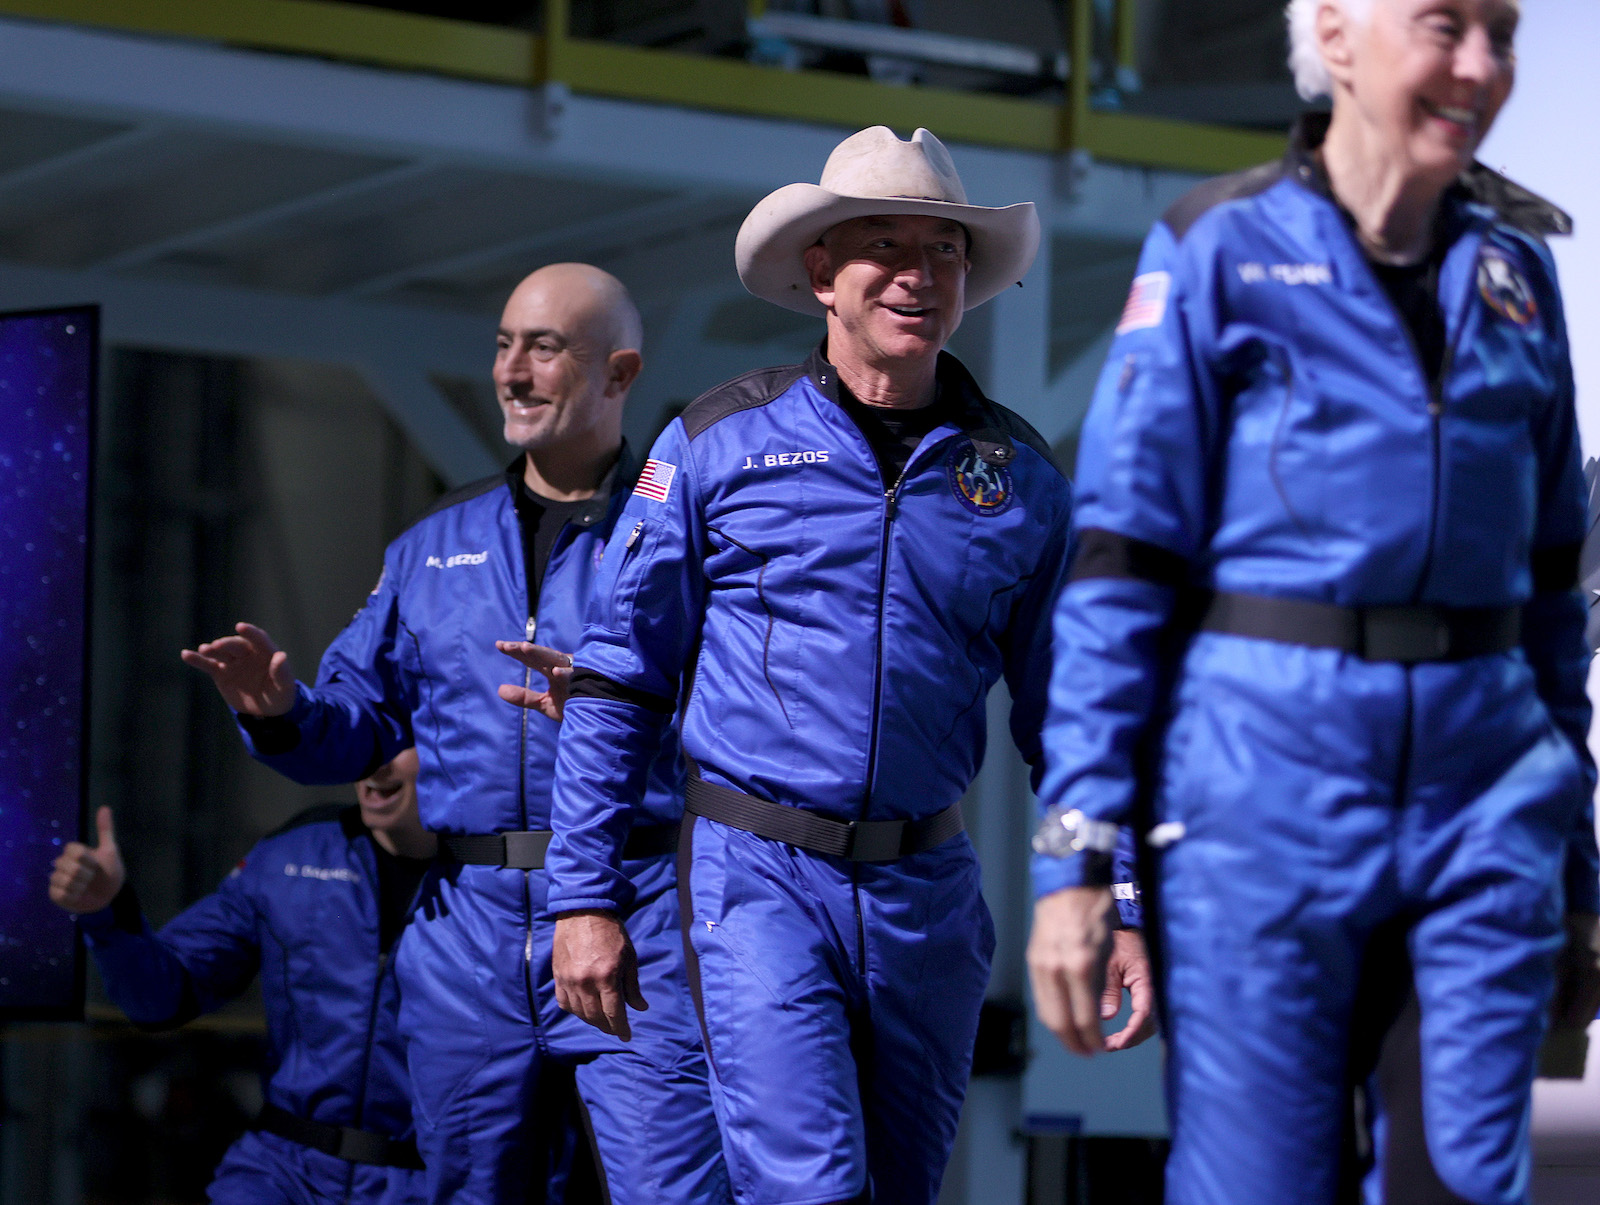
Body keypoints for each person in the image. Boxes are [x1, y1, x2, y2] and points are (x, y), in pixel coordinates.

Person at [1026, 2, 1600, 1202]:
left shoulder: (1518, 276)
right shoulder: (1213, 250)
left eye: (1503, 33)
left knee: (1458, 1184)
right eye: (1444, 26)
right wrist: (1077, 862)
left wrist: (1577, 871)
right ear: (1334, 35)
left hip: (1486, 810)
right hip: (1257, 814)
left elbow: (1555, 597)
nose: (1481, 66)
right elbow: (1119, 576)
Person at [544, 125, 1154, 1205]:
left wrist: (1119, 897)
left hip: (930, 895)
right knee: (814, 1187)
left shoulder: (1019, 478)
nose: (917, 273)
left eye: (945, 250)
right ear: (821, 272)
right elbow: (617, 676)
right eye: (884, 245)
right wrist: (580, 896)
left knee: (896, 1190)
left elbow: (1076, 721)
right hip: (756, 877)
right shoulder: (717, 442)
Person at [179, 264, 727, 1205]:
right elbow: (355, 730)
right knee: (468, 1189)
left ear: (621, 372)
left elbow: (751, 733)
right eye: (505, 344)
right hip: (469, 931)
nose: (511, 371)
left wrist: (621, 717)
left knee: (670, 1189)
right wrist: (281, 714)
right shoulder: (433, 544)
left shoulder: (683, 530)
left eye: (544, 347)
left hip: (635, 913)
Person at [48, 749, 434, 1205]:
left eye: (396, 742)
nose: (374, 762)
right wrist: (107, 913)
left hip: (427, 1182)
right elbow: (161, 998)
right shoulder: (293, 852)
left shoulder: (494, 880)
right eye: (365, 739)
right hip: (281, 1172)